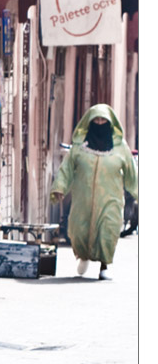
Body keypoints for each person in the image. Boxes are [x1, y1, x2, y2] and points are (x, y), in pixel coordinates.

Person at [50, 103, 138, 280]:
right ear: (89, 123)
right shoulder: (79, 147)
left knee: (108, 230)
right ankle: (82, 256)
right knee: (78, 231)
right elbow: (66, 168)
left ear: (110, 123)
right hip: (83, 200)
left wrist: (137, 193)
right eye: (96, 120)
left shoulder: (120, 148)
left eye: (103, 120)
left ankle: (105, 264)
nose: (99, 123)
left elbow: (131, 171)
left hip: (110, 201)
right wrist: (59, 187)